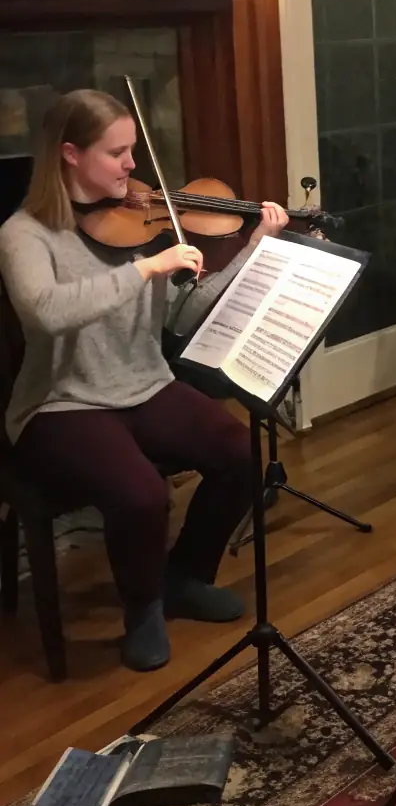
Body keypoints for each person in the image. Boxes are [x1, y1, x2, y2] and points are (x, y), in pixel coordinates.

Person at [0, 89, 289, 673]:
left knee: (237, 450)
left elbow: (182, 316)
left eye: (134, 150)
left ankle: (183, 576)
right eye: (118, 152)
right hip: (62, 401)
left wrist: (251, 253)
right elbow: (46, 313)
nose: (134, 167)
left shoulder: (143, 220)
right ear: (71, 155)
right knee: (141, 494)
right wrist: (147, 268)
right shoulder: (25, 233)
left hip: (143, 382)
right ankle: (143, 608)